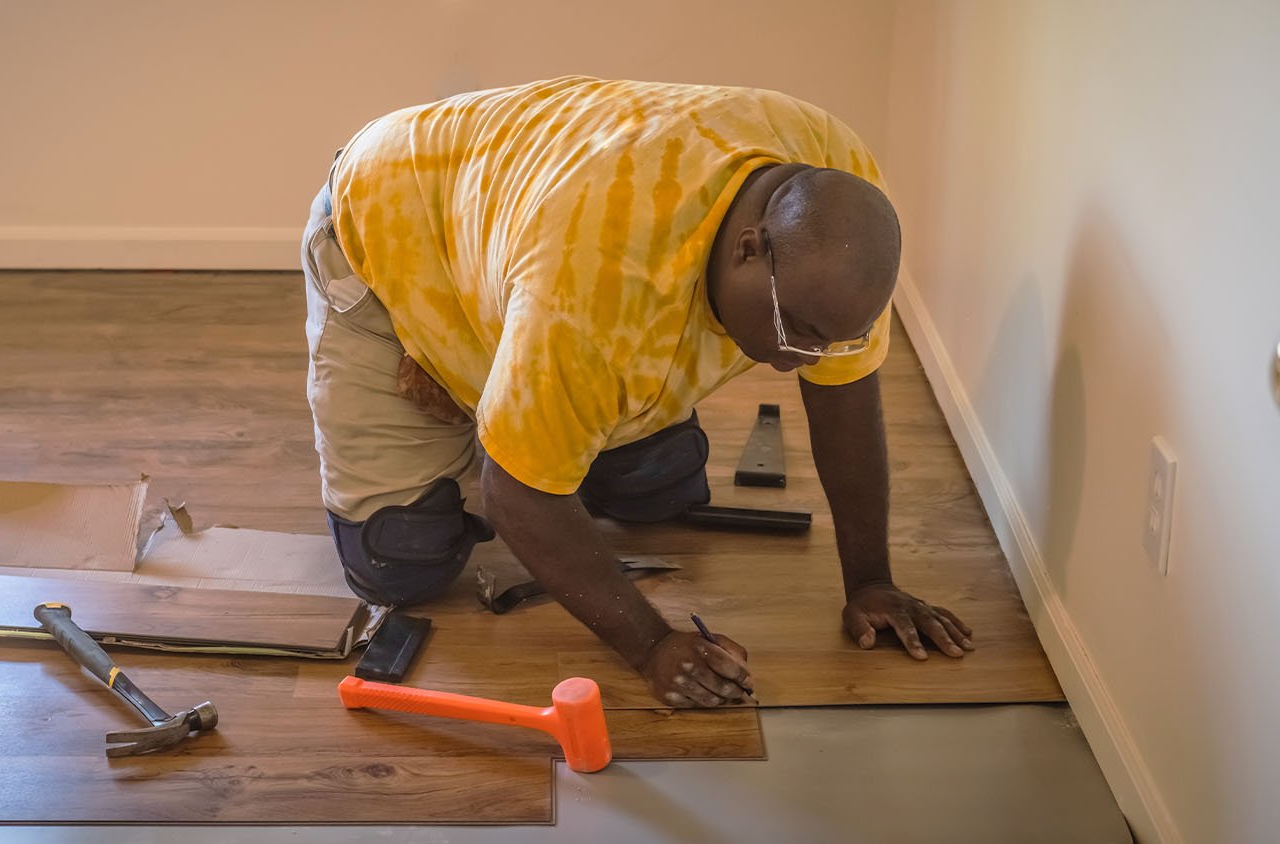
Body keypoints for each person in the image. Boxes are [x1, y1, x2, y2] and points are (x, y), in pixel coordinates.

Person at [301, 76, 974, 708]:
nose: (805, 360)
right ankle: (484, 411)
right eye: (796, 332)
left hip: (537, 241)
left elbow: (846, 396)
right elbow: (516, 495)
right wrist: (652, 646)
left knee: (653, 493)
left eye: (832, 339)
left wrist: (871, 580)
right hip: (391, 225)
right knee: (402, 562)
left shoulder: (838, 212)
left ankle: (532, 411)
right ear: (746, 249)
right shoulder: (590, 293)